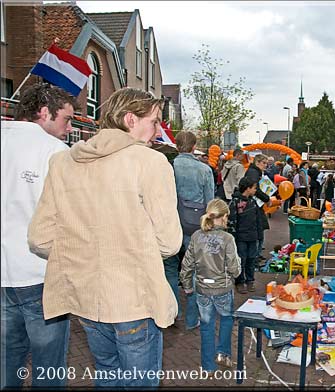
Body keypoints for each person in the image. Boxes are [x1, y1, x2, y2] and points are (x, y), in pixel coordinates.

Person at [28, 88, 182, 388]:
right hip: (135, 298)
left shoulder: (63, 163)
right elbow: (169, 242)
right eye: (154, 121)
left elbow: (40, 238)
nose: (158, 130)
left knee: (106, 375)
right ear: (130, 119)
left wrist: (82, 255)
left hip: (86, 298)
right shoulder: (149, 163)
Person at [1, 83, 75, 389]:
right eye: (67, 119)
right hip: (41, 275)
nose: (69, 129)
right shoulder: (56, 153)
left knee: (7, 363)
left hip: (3, 274)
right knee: (49, 367)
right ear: (44, 113)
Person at [180, 199, 241, 373]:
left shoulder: (196, 236)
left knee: (206, 325)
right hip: (222, 288)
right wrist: (238, 264)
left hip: (202, 289)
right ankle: (223, 353)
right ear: (223, 217)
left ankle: (207, 365)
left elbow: (187, 264)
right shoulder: (227, 239)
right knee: (227, 318)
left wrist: (187, 285)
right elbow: (234, 270)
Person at [171, 131, 215, 330]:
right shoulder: (204, 169)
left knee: (169, 270)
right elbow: (210, 203)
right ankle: (191, 318)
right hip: (194, 226)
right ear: (193, 146)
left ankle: (171, 313)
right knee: (195, 271)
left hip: (170, 224)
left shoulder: (167, 167)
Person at [228, 177, 261, 294]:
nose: (256, 190)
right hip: (240, 237)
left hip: (252, 236)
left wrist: (259, 234)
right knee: (241, 259)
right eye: (254, 188)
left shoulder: (253, 202)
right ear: (248, 188)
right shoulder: (235, 202)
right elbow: (231, 221)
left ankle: (250, 280)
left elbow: (258, 219)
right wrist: (232, 237)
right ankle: (240, 281)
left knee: (251, 259)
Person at [245, 154, 271, 262]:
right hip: (254, 203)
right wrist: (267, 198)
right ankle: (255, 255)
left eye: (266, 163)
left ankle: (256, 254)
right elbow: (255, 189)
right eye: (264, 163)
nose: (265, 165)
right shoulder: (254, 173)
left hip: (256, 203)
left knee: (260, 227)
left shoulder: (255, 172)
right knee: (258, 228)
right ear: (257, 162)